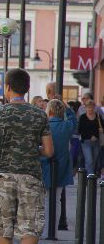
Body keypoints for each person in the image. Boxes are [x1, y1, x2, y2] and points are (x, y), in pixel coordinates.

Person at [0, 68, 54, 244]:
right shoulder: (39, 115)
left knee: (4, 231)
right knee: (30, 227)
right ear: (27, 88)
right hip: (31, 176)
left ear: (7, 88)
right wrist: (31, 149)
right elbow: (49, 151)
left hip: (4, 176)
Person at [42, 99, 77, 232]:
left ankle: (44, 229)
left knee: (44, 200)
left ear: (49, 111)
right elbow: (74, 120)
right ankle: (53, 229)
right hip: (62, 167)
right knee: (56, 200)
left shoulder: (44, 125)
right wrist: (67, 107)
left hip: (45, 165)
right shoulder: (67, 126)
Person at [78, 100, 102, 175]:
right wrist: (90, 136)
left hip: (97, 142)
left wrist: (98, 134)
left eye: (92, 107)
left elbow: (102, 128)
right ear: (85, 108)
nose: (90, 109)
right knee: (89, 160)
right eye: (88, 107)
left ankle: (90, 176)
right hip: (86, 142)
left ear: (94, 107)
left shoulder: (98, 116)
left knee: (94, 160)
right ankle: (90, 178)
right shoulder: (83, 117)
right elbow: (80, 130)